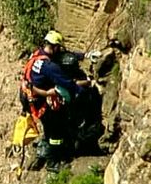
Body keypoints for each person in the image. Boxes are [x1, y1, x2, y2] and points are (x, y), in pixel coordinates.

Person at [20, 30, 100, 172]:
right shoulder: (50, 67)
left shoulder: (38, 54)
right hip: (38, 103)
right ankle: (53, 163)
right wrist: (86, 87)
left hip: (27, 96)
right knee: (55, 132)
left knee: (52, 126)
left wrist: (85, 55)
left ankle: (45, 151)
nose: (60, 50)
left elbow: (65, 55)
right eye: (59, 47)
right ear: (54, 46)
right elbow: (67, 84)